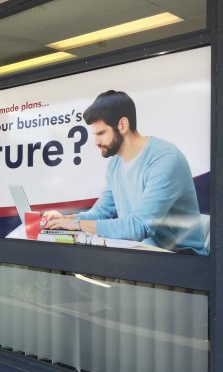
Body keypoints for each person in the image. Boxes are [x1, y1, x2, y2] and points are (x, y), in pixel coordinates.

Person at [44, 90, 207, 255]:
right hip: (142, 254)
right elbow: (101, 213)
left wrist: (77, 225)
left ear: (122, 125)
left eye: (101, 133)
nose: (96, 142)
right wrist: (67, 220)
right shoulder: (115, 164)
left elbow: (139, 226)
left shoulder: (165, 159)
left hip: (182, 261)